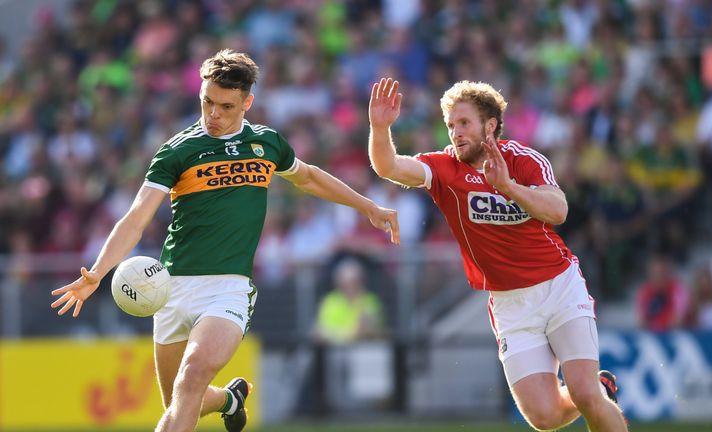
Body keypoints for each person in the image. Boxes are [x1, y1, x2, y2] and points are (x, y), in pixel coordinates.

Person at [51, 50, 400, 432]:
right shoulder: (176, 151)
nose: (213, 114)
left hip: (227, 289)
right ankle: (230, 398)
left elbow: (309, 177)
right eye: (207, 102)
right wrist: (99, 272)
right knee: (182, 400)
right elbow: (136, 219)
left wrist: (367, 206)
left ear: (247, 102)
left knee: (192, 376)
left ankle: (219, 397)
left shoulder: (266, 144)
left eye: (225, 106)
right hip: (170, 289)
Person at [368, 77, 627, 431]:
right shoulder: (444, 168)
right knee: (544, 418)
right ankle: (600, 388)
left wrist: (508, 187)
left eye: (464, 124)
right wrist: (379, 128)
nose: (455, 133)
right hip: (509, 305)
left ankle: (593, 391)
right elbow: (389, 167)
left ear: (490, 125)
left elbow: (558, 210)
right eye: (450, 126)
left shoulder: (522, 160)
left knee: (583, 394)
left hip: (558, 287)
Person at [314, 257, 386, 344]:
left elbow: (373, 330)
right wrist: (351, 333)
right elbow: (322, 331)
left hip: (364, 348)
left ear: (361, 281)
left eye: (354, 282)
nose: (350, 286)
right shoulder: (330, 301)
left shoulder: (370, 300)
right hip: (334, 348)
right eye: (346, 282)